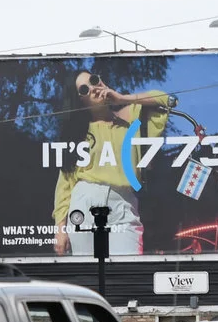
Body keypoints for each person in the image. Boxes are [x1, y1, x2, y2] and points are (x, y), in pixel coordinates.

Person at [53, 70, 173, 256]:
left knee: (128, 274)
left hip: (123, 204)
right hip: (84, 202)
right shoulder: (78, 134)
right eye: (85, 89)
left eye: (94, 80)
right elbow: (65, 185)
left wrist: (121, 98)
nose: (93, 89)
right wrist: (60, 229)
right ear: (80, 100)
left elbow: (165, 99)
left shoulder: (132, 119)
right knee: (88, 276)